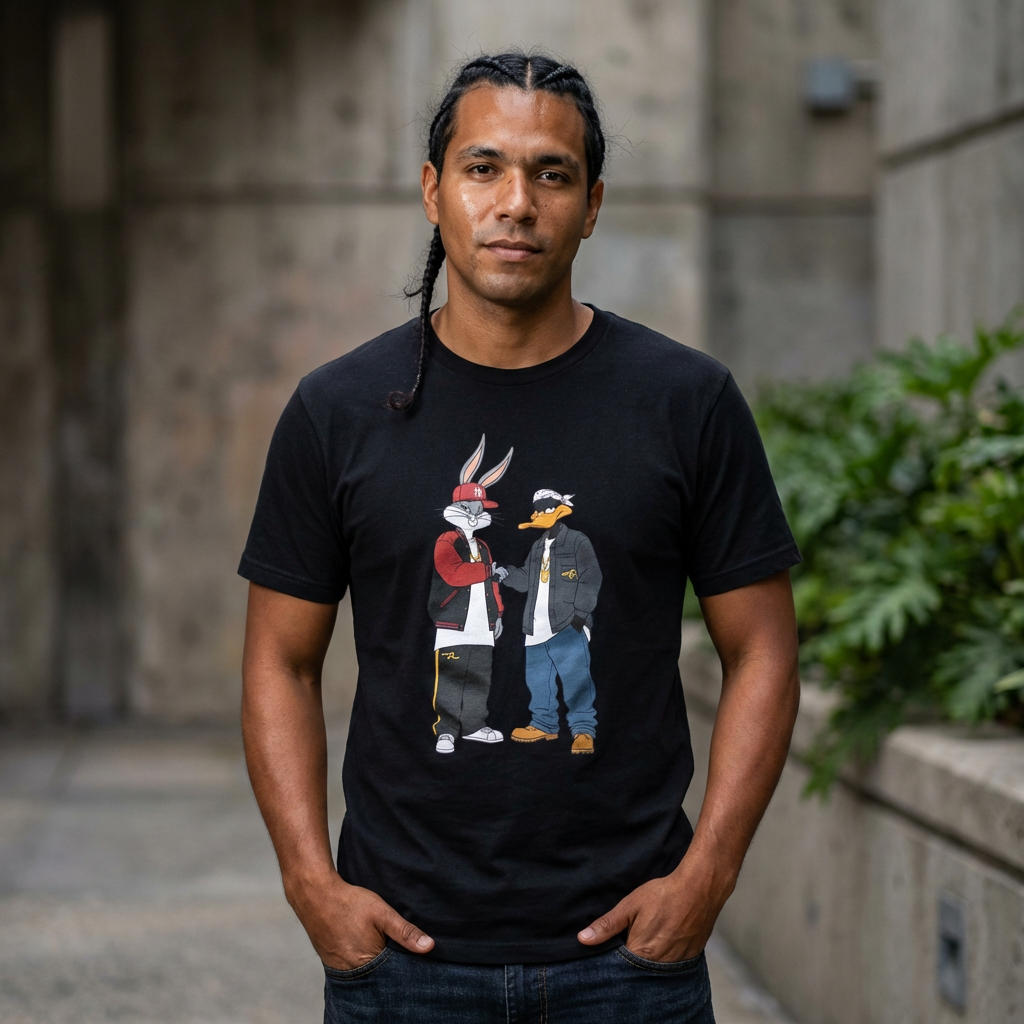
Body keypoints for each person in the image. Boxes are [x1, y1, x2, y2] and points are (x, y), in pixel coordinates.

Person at [239, 50, 801, 1024]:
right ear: (433, 190)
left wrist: (706, 874)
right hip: (402, 963)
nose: (516, 203)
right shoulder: (338, 411)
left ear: (591, 205)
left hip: (630, 966)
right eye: (483, 168)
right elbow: (278, 662)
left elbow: (763, 649)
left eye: (552, 174)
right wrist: (310, 884)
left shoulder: (686, 402)